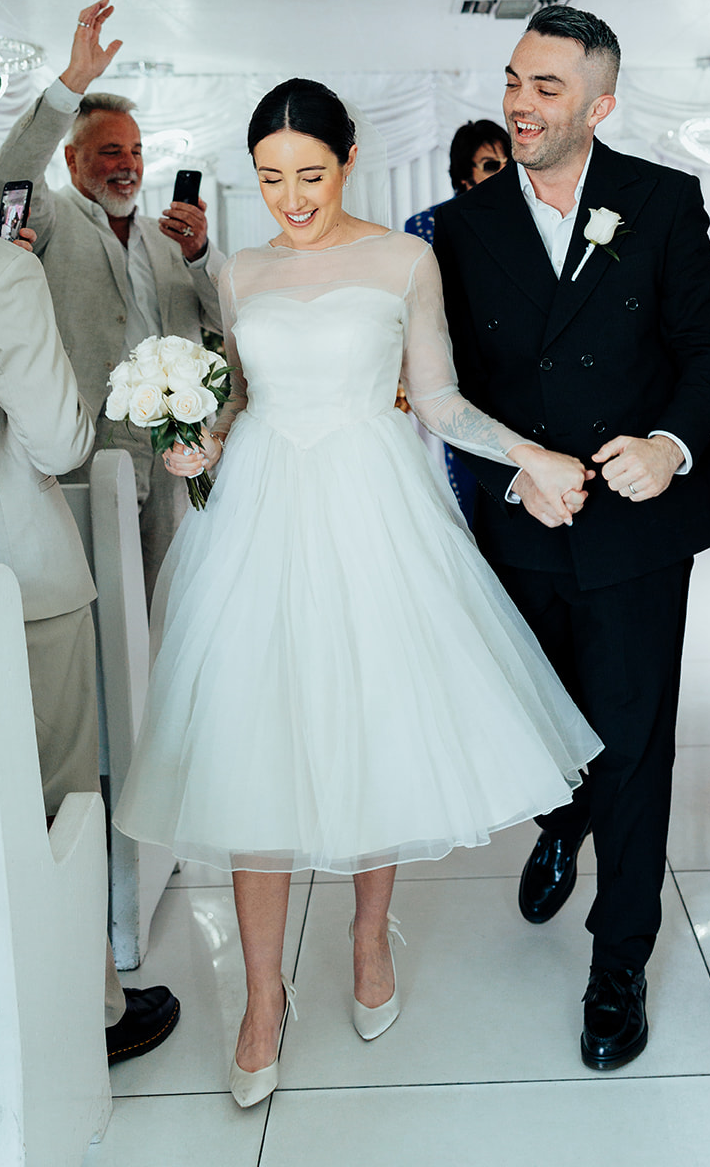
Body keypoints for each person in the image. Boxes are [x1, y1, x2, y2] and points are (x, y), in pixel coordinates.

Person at [112, 79, 602, 1109]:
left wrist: (527, 452)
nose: (292, 197)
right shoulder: (237, 276)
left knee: (373, 718)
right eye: (272, 178)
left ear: (347, 161)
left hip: (374, 507)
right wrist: (195, 438)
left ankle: (368, 931)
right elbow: (237, 398)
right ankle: (259, 999)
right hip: (258, 513)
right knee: (256, 741)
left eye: (312, 174)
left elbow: (437, 401)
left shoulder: (402, 259)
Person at [432, 4, 710, 1071]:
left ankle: (618, 962)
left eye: (547, 86)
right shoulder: (460, 227)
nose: (519, 101)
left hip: (634, 531)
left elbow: (709, 353)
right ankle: (559, 817)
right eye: (514, 79)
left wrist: (669, 441)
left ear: (600, 103)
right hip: (523, 525)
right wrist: (516, 470)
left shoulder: (660, 202)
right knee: (537, 724)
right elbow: (451, 393)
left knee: (635, 744)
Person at [0, 93, 180, 1108]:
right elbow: (58, 441)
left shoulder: (157, 241)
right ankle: (88, 1009)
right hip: (13, 580)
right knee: (51, 799)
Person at [0, 0, 224, 605]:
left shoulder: (173, 238)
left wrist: (201, 255)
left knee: (175, 598)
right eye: (111, 151)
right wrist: (72, 85)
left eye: (137, 152)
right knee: (104, 602)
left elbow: (229, 324)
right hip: (87, 442)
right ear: (72, 159)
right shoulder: (53, 220)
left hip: (174, 443)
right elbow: (12, 177)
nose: (129, 166)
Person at [404, 119, 512, 521]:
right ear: (464, 176)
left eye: (507, 162)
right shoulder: (428, 225)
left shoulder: (524, 225)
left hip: (518, 371)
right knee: (473, 482)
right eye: (489, 164)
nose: (503, 171)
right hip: (459, 373)